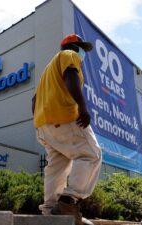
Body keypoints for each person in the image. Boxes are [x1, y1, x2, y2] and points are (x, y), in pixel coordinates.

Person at [32, 34, 102, 225]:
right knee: (91, 154)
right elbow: (70, 75)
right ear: (71, 46)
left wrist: (40, 121)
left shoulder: (46, 72)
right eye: (81, 48)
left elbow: (34, 100)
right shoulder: (69, 55)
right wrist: (82, 106)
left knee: (57, 167)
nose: (82, 54)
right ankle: (68, 201)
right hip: (64, 119)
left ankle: (50, 213)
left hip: (44, 127)